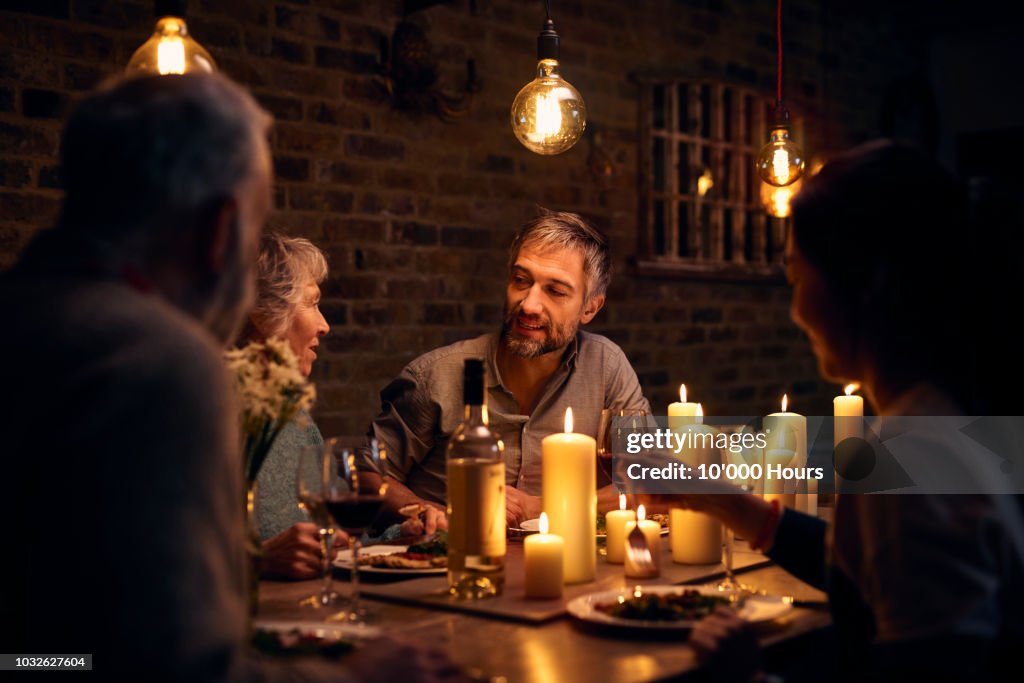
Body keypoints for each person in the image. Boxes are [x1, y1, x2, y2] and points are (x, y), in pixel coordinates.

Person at [0, 72, 460, 682]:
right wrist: (357, 675)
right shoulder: (159, 363)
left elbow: (47, 652)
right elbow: (171, 670)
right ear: (221, 230)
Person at [679, 141, 1024, 682]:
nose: (794, 310)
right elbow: (877, 574)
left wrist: (750, 677)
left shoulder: (913, 466)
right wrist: (732, 506)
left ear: (870, 283)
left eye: (797, 277)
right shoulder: (947, 423)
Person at [363, 210, 651, 528]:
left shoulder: (607, 367)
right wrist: (436, 514)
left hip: (563, 568)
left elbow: (651, 478)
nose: (529, 304)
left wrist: (541, 508)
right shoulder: (435, 375)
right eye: (521, 280)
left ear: (590, 308)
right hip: (447, 564)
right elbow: (366, 477)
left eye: (555, 291)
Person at [243, 233, 424, 579]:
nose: (324, 325)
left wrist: (406, 534)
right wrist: (257, 560)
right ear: (262, 314)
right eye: (311, 303)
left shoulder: (291, 415)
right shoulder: (197, 417)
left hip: (310, 614)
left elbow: (342, 538)